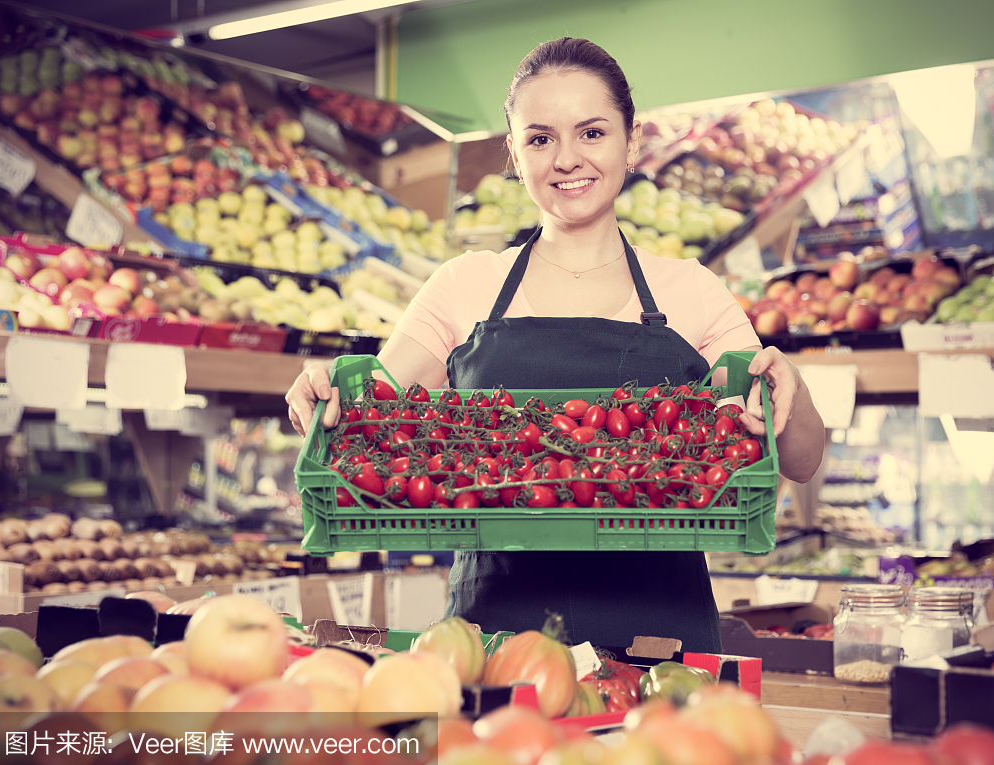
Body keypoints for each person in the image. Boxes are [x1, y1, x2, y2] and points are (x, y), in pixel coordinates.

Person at [287, 37, 825, 653]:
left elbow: (801, 460)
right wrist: (326, 397)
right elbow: (370, 414)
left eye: (591, 132)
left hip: (660, 642)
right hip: (492, 642)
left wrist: (791, 387)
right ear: (514, 154)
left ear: (633, 140)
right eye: (541, 139)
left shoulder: (693, 291)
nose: (567, 158)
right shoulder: (466, 285)